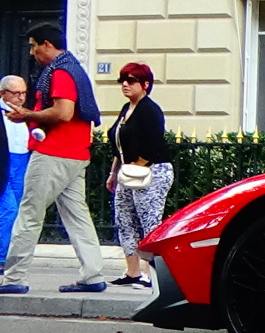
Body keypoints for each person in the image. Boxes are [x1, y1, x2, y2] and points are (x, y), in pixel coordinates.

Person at [0, 23, 105, 295]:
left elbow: (63, 113)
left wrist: (27, 115)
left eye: (35, 46)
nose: (33, 52)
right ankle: (93, 275)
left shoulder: (60, 72)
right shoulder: (75, 69)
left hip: (53, 153)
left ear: (47, 44)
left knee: (29, 213)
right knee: (77, 216)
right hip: (76, 153)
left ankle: (13, 278)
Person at [106, 63, 172, 288]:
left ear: (145, 85)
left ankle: (151, 274)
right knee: (125, 220)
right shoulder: (127, 108)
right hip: (128, 171)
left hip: (152, 171)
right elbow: (119, 143)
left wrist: (137, 166)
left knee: (149, 221)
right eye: (122, 80)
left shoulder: (150, 109)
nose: (125, 84)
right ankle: (132, 271)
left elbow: (154, 143)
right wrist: (114, 172)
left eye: (131, 80)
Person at [0, 76, 32, 273]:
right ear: (3, 93)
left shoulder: (25, 114)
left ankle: (9, 253)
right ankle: (2, 256)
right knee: (9, 209)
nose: (21, 97)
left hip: (21, 161)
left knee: (17, 209)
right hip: (5, 163)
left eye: (23, 93)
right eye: (16, 93)